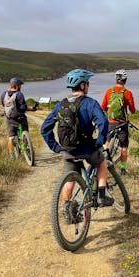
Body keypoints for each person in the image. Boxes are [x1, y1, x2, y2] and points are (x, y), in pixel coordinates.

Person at [41, 69, 114, 207]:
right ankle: (102, 197)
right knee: (102, 163)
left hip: (68, 150)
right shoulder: (90, 103)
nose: (88, 86)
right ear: (82, 86)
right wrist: (99, 142)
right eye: (87, 83)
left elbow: (44, 128)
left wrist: (56, 147)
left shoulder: (61, 105)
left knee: (69, 181)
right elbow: (103, 122)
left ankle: (67, 209)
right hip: (87, 149)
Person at [101, 69, 136, 175]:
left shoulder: (108, 91)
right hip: (122, 123)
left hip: (111, 122)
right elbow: (133, 110)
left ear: (116, 79)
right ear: (125, 80)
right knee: (123, 148)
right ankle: (123, 169)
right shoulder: (128, 93)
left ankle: (101, 164)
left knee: (106, 144)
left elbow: (103, 107)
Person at [0, 77, 37, 157]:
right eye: (20, 85)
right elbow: (23, 107)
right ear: (16, 86)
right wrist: (31, 109)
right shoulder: (19, 94)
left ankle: (12, 156)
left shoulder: (4, 94)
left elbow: (3, 105)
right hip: (20, 118)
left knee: (11, 137)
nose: (21, 87)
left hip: (10, 119)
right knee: (25, 131)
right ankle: (27, 146)